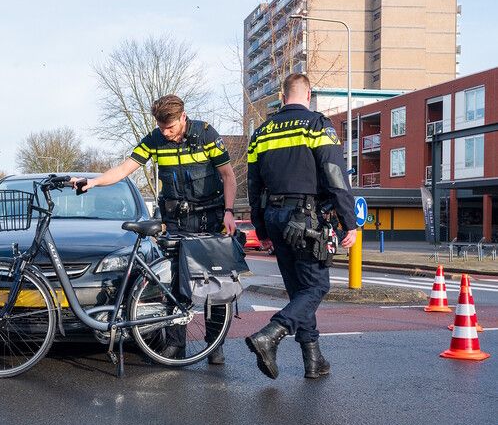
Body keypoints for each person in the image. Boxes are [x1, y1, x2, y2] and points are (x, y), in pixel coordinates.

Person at [71, 94, 237, 364]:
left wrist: (229, 212)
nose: (166, 133)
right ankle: (174, 345)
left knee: (213, 285)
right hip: (175, 221)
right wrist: (93, 182)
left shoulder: (207, 135)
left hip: (208, 218)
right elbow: (126, 168)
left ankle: (214, 344)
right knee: (172, 283)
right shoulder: (155, 139)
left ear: (183, 117)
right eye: (161, 128)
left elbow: (228, 175)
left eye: (170, 128)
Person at [245, 73, 357, 379]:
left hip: (275, 218)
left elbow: (253, 187)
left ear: (282, 97)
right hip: (306, 219)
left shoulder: (262, 132)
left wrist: (262, 229)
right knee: (317, 286)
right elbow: (335, 176)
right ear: (308, 95)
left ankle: (313, 360)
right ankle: (270, 334)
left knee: (299, 292)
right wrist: (350, 222)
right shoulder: (317, 125)